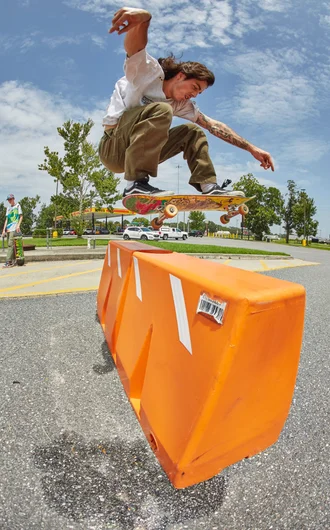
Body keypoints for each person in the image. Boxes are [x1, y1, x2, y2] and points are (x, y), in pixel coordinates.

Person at [99, 6, 274, 197]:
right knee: (162, 110)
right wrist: (143, 22)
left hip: (136, 153)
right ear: (181, 76)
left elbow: (213, 126)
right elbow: (135, 48)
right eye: (195, 88)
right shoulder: (149, 73)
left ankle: (208, 186)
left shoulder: (181, 104)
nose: (195, 95)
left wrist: (251, 148)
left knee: (193, 131)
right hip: (114, 148)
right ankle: (135, 184)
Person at [2, 194, 23, 268]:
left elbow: (21, 216)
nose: (9, 201)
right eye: (8, 200)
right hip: (8, 228)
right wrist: (3, 230)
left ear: (13, 199)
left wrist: (18, 225)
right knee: (11, 245)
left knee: (10, 245)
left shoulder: (17, 206)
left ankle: (8, 261)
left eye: (10, 199)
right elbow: (7, 219)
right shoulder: (8, 208)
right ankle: (14, 260)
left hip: (14, 228)